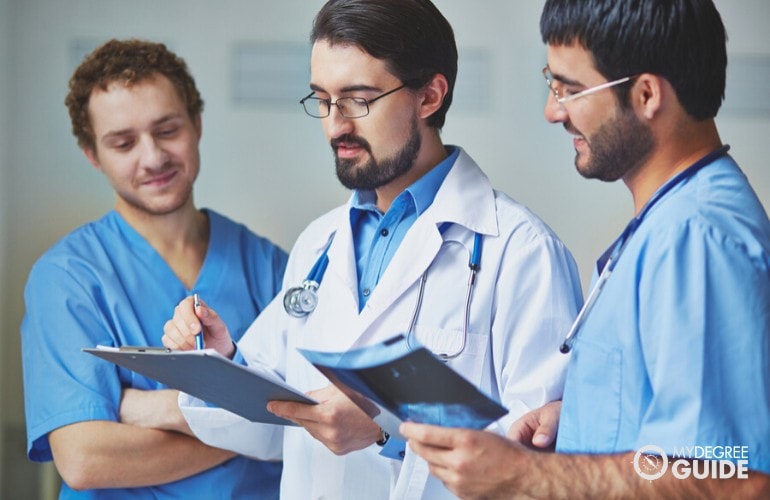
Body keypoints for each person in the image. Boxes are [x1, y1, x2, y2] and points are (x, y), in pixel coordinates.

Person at [161, 0, 583, 498]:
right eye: (322, 98)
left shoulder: (521, 251)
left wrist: (390, 433)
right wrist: (220, 358)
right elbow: (273, 422)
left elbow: (539, 455)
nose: (335, 125)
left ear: (429, 96)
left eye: (357, 100)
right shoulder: (319, 243)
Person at [401, 0, 770, 497]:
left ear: (645, 95)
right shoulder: (665, 223)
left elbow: (733, 478)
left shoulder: (695, 237)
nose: (553, 112)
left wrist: (525, 475)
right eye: (551, 84)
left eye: (569, 90)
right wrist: (578, 423)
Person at [21, 39, 288, 499]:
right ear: (92, 155)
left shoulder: (269, 267)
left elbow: (321, 422)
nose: (153, 157)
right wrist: (251, 428)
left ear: (197, 124)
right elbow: (84, 460)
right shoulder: (67, 278)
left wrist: (156, 410)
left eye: (167, 130)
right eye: (123, 143)